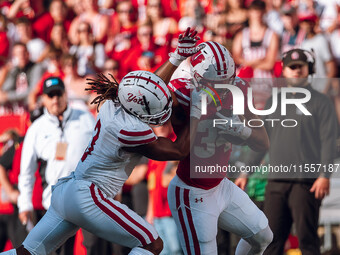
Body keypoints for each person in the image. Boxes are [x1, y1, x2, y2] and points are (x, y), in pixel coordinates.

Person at [0, 27, 202, 255]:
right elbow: (178, 151)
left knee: (28, 252)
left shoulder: (112, 105)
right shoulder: (132, 130)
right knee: (152, 243)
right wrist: (198, 110)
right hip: (87, 195)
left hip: (66, 190)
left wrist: (175, 58)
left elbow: (146, 88)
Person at [167, 41, 273, 255]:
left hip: (221, 185)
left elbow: (263, 142)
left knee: (262, 236)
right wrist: (174, 59)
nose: (224, 89)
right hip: (191, 191)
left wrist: (244, 131)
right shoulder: (180, 92)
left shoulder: (239, 89)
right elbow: (147, 90)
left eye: (228, 81)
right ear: (197, 78)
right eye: (218, 84)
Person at [245, 48, 338, 255]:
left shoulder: (321, 102)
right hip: (276, 183)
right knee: (270, 242)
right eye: (291, 67)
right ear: (284, 71)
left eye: (300, 67)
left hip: (306, 183)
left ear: (309, 70)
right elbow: (262, 141)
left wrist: (324, 175)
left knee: (307, 241)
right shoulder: (274, 101)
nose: (296, 71)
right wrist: (245, 171)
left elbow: (329, 142)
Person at [17, 76, 95, 255]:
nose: (55, 99)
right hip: (54, 204)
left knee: (95, 248)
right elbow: (26, 172)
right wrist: (24, 204)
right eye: (50, 96)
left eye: (58, 94)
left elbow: (103, 154)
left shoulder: (84, 118)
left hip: (87, 200)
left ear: (65, 94)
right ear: (43, 98)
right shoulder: (37, 128)